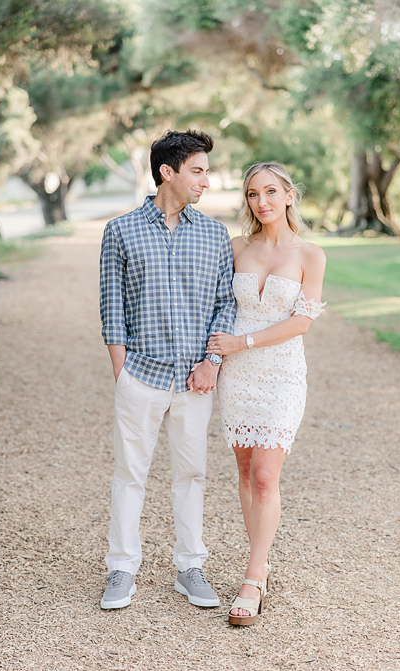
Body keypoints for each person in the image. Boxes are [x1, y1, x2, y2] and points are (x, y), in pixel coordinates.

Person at [98, 130, 236, 610]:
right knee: (129, 475)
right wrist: (122, 372)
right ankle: (121, 569)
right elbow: (112, 307)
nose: (205, 181)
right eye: (197, 171)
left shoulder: (215, 235)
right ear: (167, 172)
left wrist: (212, 363)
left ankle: (190, 567)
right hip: (141, 374)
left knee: (191, 475)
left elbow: (225, 305)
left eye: (206, 172)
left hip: (195, 380)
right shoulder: (120, 231)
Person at [206, 161, 326, 626]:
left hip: (281, 374)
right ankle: (262, 560)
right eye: (253, 194)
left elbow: (302, 322)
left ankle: (253, 578)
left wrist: (244, 341)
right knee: (243, 469)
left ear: (289, 195)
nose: (262, 202)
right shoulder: (236, 247)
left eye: (271, 191)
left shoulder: (310, 255)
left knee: (263, 475)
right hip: (237, 376)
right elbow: (216, 305)